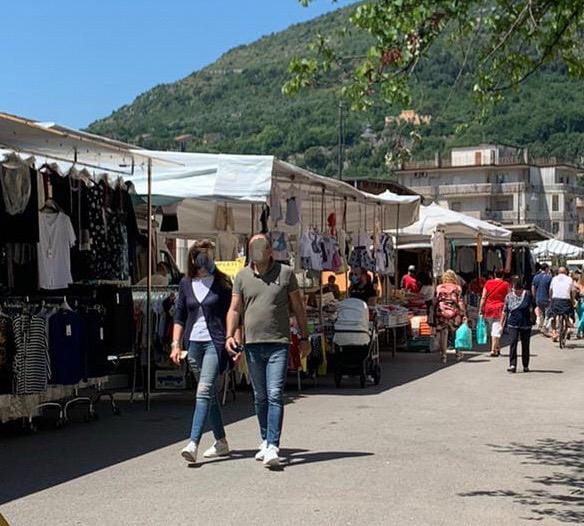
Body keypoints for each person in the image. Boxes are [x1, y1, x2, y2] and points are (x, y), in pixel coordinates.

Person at [225, 234, 310, 468]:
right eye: (253, 246)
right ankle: (265, 439)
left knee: (274, 393)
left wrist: (304, 337)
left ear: (270, 250)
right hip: (252, 344)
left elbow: (298, 308)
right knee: (259, 396)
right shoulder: (241, 276)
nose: (258, 251)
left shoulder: (285, 273)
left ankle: (273, 444)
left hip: (278, 343)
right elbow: (234, 308)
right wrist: (230, 335)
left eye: (261, 246)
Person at [170, 241, 233, 464]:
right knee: (208, 394)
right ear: (193, 257)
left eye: (209, 255)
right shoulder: (185, 283)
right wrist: (175, 344)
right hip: (193, 344)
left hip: (215, 342)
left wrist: (234, 339)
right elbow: (179, 316)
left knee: (204, 389)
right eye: (201, 255)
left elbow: (232, 314)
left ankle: (193, 442)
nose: (205, 259)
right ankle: (221, 441)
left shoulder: (222, 283)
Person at [501, 276, 534, 373]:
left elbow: (532, 307)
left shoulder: (527, 294)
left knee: (525, 345)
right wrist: (501, 324)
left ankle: (525, 365)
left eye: (517, 289)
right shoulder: (509, 296)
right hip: (513, 323)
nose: (516, 291)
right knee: (513, 343)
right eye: (514, 289)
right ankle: (512, 365)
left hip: (526, 323)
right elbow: (505, 310)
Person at [434, 269, 467, 363]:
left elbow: (436, 300)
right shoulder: (457, 288)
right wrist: (463, 313)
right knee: (456, 332)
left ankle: (444, 356)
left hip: (442, 311)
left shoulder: (439, 287)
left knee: (444, 333)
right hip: (454, 312)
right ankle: (458, 353)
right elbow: (459, 301)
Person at [479, 269, 510, 357]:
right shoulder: (506, 284)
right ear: (503, 275)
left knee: (493, 328)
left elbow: (483, 297)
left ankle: (497, 348)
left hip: (488, 308)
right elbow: (509, 297)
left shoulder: (488, 283)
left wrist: (480, 308)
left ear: (494, 274)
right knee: (496, 329)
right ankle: (493, 350)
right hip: (500, 308)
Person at [549, 266, 577, 341]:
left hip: (555, 300)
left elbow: (550, 290)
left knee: (552, 316)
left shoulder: (554, 279)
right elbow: (573, 290)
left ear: (558, 272)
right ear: (566, 272)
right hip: (565, 300)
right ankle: (568, 321)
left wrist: (551, 299)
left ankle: (554, 331)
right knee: (570, 311)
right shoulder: (569, 279)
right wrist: (573, 299)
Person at [531, 263, 552, 330]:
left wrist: (534, 296)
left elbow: (533, 287)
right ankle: (544, 326)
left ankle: (540, 323)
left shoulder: (535, 277)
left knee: (540, 312)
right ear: (546, 268)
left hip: (538, 297)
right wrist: (550, 297)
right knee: (547, 313)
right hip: (546, 298)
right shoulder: (549, 277)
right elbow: (550, 289)